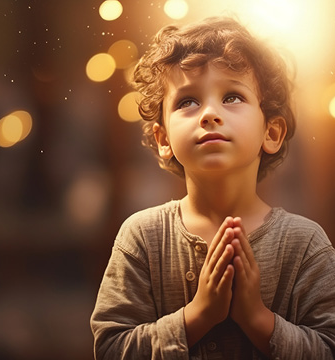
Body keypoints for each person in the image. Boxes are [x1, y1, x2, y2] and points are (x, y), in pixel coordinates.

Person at [90, 16, 335, 359]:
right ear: (163, 139)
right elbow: (111, 348)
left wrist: (258, 320)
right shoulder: (142, 238)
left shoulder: (305, 244)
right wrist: (198, 315)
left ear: (272, 133)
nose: (209, 113)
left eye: (232, 97)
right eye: (187, 101)